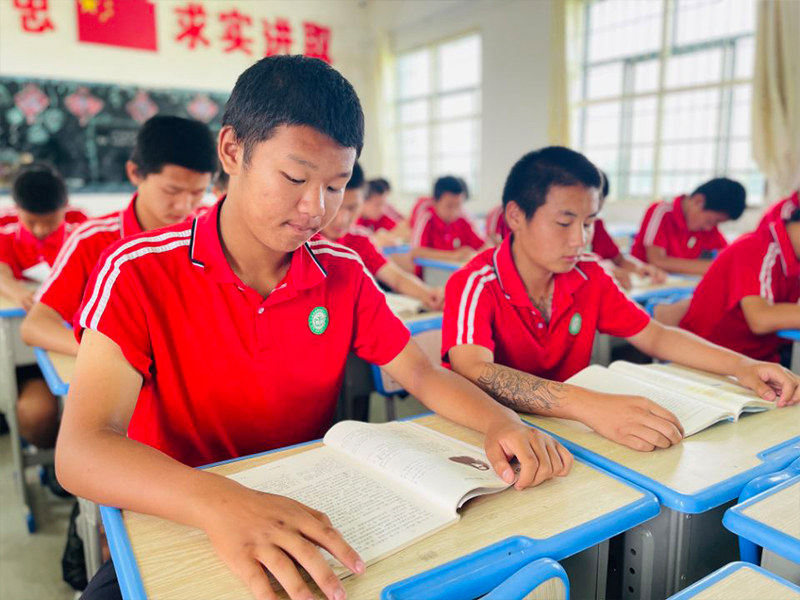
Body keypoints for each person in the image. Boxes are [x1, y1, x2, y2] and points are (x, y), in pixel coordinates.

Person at [59, 56, 572, 600]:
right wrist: (218, 500)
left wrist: (499, 421)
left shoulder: (342, 271)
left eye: (336, 185)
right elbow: (83, 448)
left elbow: (421, 373)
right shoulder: (137, 271)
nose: (315, 208)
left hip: (314, 511)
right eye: (295, 178)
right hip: (183, 512)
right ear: (232, 151)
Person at [443, 147, 799, 454]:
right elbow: (473, 371)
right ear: (516, 216)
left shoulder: (589, 274)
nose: (579, 240)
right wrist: (587, 404)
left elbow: (656, 336)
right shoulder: (475, 282)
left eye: (589, 223)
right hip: (490, 434)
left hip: (567, 431)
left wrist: (740, 365)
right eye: (565, 223)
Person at [20, 115, 217, 357]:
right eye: (171, 190)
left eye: (197, 192)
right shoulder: (92, 240)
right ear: (134, 173)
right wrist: (116, 358)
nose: (184, 206)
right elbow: (35, 326)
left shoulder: (211, 230)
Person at [0, 163, 86, 448]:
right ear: (17, 208)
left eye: (49, 222)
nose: (40, 230)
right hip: (28, 355)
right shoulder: (5, 228)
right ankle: (49, 457)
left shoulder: (81, 227)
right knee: (36, 414)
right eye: (31, 221)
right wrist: (14, 289)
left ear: (65, 206)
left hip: (73, 337)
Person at [680, 208, 800, 365]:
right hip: (709, 362)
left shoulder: (792, 255)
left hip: (755, 361)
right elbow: (761, 319)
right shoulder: (758, 247)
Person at [320, 162, 443, 310]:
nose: (342, 219)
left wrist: (428, 293)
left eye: (352, 208)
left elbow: (396, 278)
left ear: (362, 203)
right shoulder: (302, 241)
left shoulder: (358, 239)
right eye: (335, 206)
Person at [630, 178, 746, 275]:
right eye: (711, 221)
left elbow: (729, 259)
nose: (709, 228)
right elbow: (657, 260)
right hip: (641, 283)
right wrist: (711, 267)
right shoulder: (663, 212)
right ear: (699, 201)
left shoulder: (706, 227)